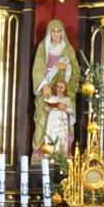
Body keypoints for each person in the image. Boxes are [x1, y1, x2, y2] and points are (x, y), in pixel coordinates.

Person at [31, 20, 78, 150]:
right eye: (53, 31)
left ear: (62, 33)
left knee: (61, 119)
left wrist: (68, 68)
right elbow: (37, 68)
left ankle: (60, 151)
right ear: (49, 33)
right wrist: (44, 86)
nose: (56, 34)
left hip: (62, 90)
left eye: (58, 31)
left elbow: (76, 71)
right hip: (47, 88)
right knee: (42, 119)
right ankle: (40, 150)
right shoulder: (43, 47)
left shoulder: (67, 49)